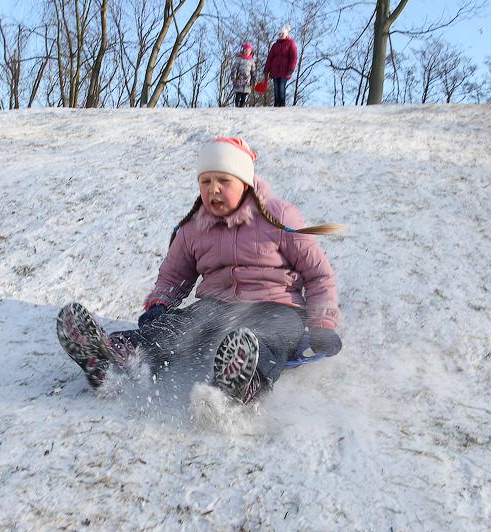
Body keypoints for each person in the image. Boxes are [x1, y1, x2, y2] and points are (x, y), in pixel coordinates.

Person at [57, 137, 344, 404]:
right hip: (217, 306)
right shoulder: (195, 227)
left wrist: (322, 324)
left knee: (265, 336)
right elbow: (173, 276)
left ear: (245, 183)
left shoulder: (279, 217)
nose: (213, 188)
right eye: (205, 181)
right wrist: (159, 304)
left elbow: (318, 275)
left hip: (278, 307)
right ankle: (112, 357)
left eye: (223, 180)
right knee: (177, 329)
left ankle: (241, 384)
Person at [263, 24, 298, 107]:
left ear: (286, 34)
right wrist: (266, 70)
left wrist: (291, 69)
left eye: (282, 34)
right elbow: (270, 58)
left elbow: (294, 57)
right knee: (276, 88)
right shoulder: (275, 45)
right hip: (275, 71)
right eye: (279, 34)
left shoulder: (291, 43)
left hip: (285, 71)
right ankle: (276, 104)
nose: (280, 35)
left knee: (281, 88)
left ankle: (282, 104)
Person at [230, 42, 256, 107]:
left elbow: (253, 71)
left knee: (244, 95)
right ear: (243, 50)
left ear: (250, 51)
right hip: (239, 79)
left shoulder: (252, 61)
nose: (247, 52)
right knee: (238, 94)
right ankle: (237, 105)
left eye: (248, 50)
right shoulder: (239, 59)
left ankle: (242, 106)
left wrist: (254, 79)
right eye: (245, 50)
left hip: (247, 80)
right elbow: (234, 68)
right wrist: (233, 76)